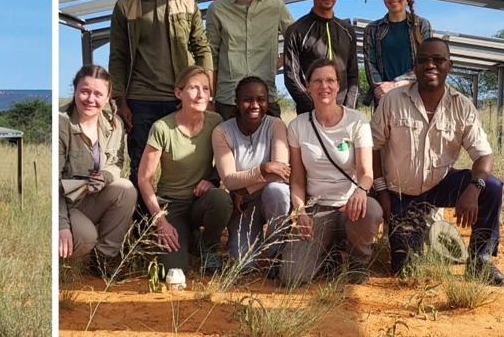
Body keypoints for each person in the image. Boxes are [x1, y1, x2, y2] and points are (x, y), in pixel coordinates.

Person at [370, 37, 504, 284]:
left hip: (440, 185)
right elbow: (373, 146)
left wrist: (474, 189)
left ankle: (480, 262)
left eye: (438, 60)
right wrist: (382, 192)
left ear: (449, 66)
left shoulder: (462, 106)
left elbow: (483, 154)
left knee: (492, 187)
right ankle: (428, 235)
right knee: (406, 271)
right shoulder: (392, 100)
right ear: (415, 66)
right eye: (423, 60)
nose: (430, 65)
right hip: (401, 193)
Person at [109, 0, 214, 212]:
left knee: (189, 165)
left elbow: (202, 48)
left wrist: (206, 92)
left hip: (182, 98)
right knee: (140, 171)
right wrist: (120, 100)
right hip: (141, 100)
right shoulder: (124, 5)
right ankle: (145, 230)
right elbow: (117, 56)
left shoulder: (186, 2)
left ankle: (185, 223)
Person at [282, 58, 382, 286]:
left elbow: (367, 172)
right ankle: (330, 257)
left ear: (338, 86)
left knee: (370, 210)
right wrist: (301, 212)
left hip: (350, 207)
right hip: (318, 209)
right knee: (291, 278)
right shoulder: (298, 126)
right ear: (308, 86)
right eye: (317, 81)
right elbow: (297, 180)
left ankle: (358, 261)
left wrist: (361, 191)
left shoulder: (357, 121)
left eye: (329, 80)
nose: (323, 86)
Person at [137, 66, 230, 275]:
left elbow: (225, 162)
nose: (201, 95)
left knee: (221, 200)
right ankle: (186, 237)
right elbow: (144, 179)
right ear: (179, 93)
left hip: (201, 201)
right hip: (172, 206)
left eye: (205, 89)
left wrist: (213, 180)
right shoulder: (162, 128)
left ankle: (208, 247)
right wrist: (160, 220)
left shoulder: (216, 122)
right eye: (193, 88)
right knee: (173, 271)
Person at [59, 65, 138, 278]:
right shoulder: (61, 123)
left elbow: (117, 162)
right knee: (85, 238)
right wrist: (61, 225)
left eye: (98, 94)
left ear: (108, 96)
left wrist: (105, 176)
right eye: (84, 91)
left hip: (88, 198)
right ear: (74, 90)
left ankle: (105, 258)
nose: (90, 99)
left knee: (126, 189)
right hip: (62, 204)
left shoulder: (114, 124)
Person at [205, 0, 293, 121]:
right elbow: (210, 55)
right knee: (224, 148)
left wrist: (278, 63)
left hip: (265, 98)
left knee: (271, 148)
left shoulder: (276, 7)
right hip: (227, 100)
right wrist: (209, 98)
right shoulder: (217, 9)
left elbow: (297, 41)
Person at [213, 77, 290, 274]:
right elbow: (229, 179)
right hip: (243, 207)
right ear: (237, 103)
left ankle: (276, 254)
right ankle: (252, 244)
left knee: (277, 191)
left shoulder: (276, 125)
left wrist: (244, 188)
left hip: (261, 198)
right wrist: (263, 169)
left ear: (267, 102)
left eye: (261, 100)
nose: (254, 105)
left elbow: (281, 173)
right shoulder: (222, 131)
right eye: (247, 100)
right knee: (244, 266)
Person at [283, 0, 360, 114]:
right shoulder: (296, 30)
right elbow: (292, 77)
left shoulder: (347, 31)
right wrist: (316, 107)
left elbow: (353, 75)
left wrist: (348, 110)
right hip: (310, 114)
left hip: (343, 114)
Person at [363, 0, 434, 107]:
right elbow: (370, 65)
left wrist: (395, 85)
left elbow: (426, 65)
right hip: (384, 100)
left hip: (415, 99)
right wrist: (382, 90)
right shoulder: (372, 29)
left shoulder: (422, 26)